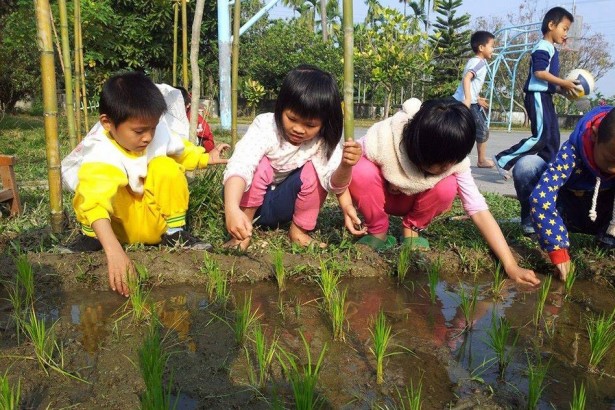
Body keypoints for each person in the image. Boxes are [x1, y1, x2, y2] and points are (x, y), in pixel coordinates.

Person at [338, 98, 540, 286]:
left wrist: (510, 264)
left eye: (451, 161)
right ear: (418, 146)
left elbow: (478, 209)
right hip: (382, 198)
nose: (447, 167)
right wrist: (346, 201)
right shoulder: (385, 138)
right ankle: (378, 230)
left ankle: (412, 229)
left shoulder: (453, 162)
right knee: (358, 169)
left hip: (415, 203)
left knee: (447, 186)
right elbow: (340, 175)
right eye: (440, 163)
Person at [61, 71, 229, 296]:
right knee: (90, 189)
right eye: (139, 131)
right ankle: (92, 239)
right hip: (115, 229)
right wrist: (114, 251)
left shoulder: (155, 133)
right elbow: (94, 203)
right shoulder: (101, 151)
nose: (148, 137)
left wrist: (206, 158)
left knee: (166, 166)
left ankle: (174, 233)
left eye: (153, 128)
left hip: (153, 225)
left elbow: (181, 150)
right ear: (107, 123)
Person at [223, 65, 362, 250]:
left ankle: (299, 232)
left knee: (314, 171)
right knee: (262, 165)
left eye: (310, 125)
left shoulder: (321, 142)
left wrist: (345, 168)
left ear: (323, 124)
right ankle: (242, 230)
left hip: (283, 206)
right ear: (281, 108)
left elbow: (333, 182)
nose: (298, 129)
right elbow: (240, 166)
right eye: (292, 118)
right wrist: (231, 208)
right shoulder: (266, 127)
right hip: (245, 202)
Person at [493, 7, 578, 234]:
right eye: (564, 28)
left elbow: (549, 82)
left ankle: (546, 172)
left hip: (546, 96)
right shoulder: (542, 47)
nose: (566, 34)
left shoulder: (551, 48)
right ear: (551, 25)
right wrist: (564, 82)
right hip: (536, 96)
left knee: (552, 138)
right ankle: (503, 158)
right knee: (541, 135)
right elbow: (540, 74)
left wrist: (562, 90)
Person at [529, 106, 615, 281]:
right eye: (610, 160)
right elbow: (541, 197)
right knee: (527, 167)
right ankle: (532, 228)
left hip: (602, 218)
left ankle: (608, 238)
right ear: (594, 135)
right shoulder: (572, 152)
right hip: (570, 214)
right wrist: (558, 250)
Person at [453, 30, 496, 169]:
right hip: (467, 103)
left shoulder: (476, 61)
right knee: (482, 130)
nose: (493, 50)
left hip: (470, 101)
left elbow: (471, 84)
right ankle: (481, 160)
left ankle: (455, 158)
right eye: (492, 46)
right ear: (481, 48)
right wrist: (468, 99)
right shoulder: (479, 63)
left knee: (465, 130)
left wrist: (477, 98)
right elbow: (466, 78)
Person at [176, 86, 216, 152]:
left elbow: (206, 133)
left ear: (187, 105)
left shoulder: (192, 116)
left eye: (179, 106)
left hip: (202, 145)